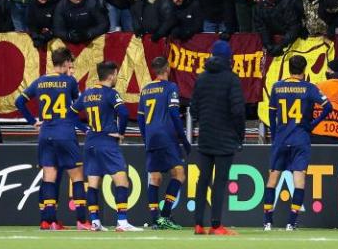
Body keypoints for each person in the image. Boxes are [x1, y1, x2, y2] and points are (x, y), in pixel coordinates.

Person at [14, 48, 87, 230]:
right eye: (69, 63)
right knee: (77, 177)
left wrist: (33, 121)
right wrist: (85, 127)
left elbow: (19, 102)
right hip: (65, 133)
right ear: (65, 63)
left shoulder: (40, 81)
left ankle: (49, 221)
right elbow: (77, 106)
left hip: (45, 133)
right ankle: (81, 220)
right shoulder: (69, 81)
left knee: (49, 177)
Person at [264, 54, 332, 231]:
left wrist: (274, 134)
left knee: (272, 179)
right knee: (299, 179)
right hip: (300, 138)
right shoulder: (309, 88)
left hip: (281, 138)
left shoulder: (277, 87)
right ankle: (291, 223)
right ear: (304, 69)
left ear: (289, 69)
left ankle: (267, 222)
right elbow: (328, 106)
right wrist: (312, 125)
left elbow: (271, 114)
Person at [71, 60, 139, 232]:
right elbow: (123, 112)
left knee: (93, 183)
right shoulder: (110, 93)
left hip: (90, 142)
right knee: (121, 180)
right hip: (107, 142)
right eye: (116, 74)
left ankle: (95, 222)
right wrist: (121, 133)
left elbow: (71, 114)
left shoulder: (87, 93)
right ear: (112, 75)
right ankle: (122, 223)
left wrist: (84, 129)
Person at [190, 40, 245, 235]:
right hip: (225, 138)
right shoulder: (232, 79)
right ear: (229, 58)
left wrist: (204, 121)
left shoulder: (202, 78)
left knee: (202, 180)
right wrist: (240, 135)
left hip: (205, 136)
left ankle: (198, 224)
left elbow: (193, 108)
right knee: (219, 182)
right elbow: (238, 110)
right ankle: (215, 225)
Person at [138, 56, 190, 230]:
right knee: (179, 174)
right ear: (167, 68)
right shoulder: (171, 87)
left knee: (155, 178)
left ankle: (155, 219)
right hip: (167, 137)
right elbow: (174, 114)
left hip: (152, 137)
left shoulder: (145, 90)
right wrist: (183, 139)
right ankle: (166, 214)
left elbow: (140, 118)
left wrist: (146, 139)